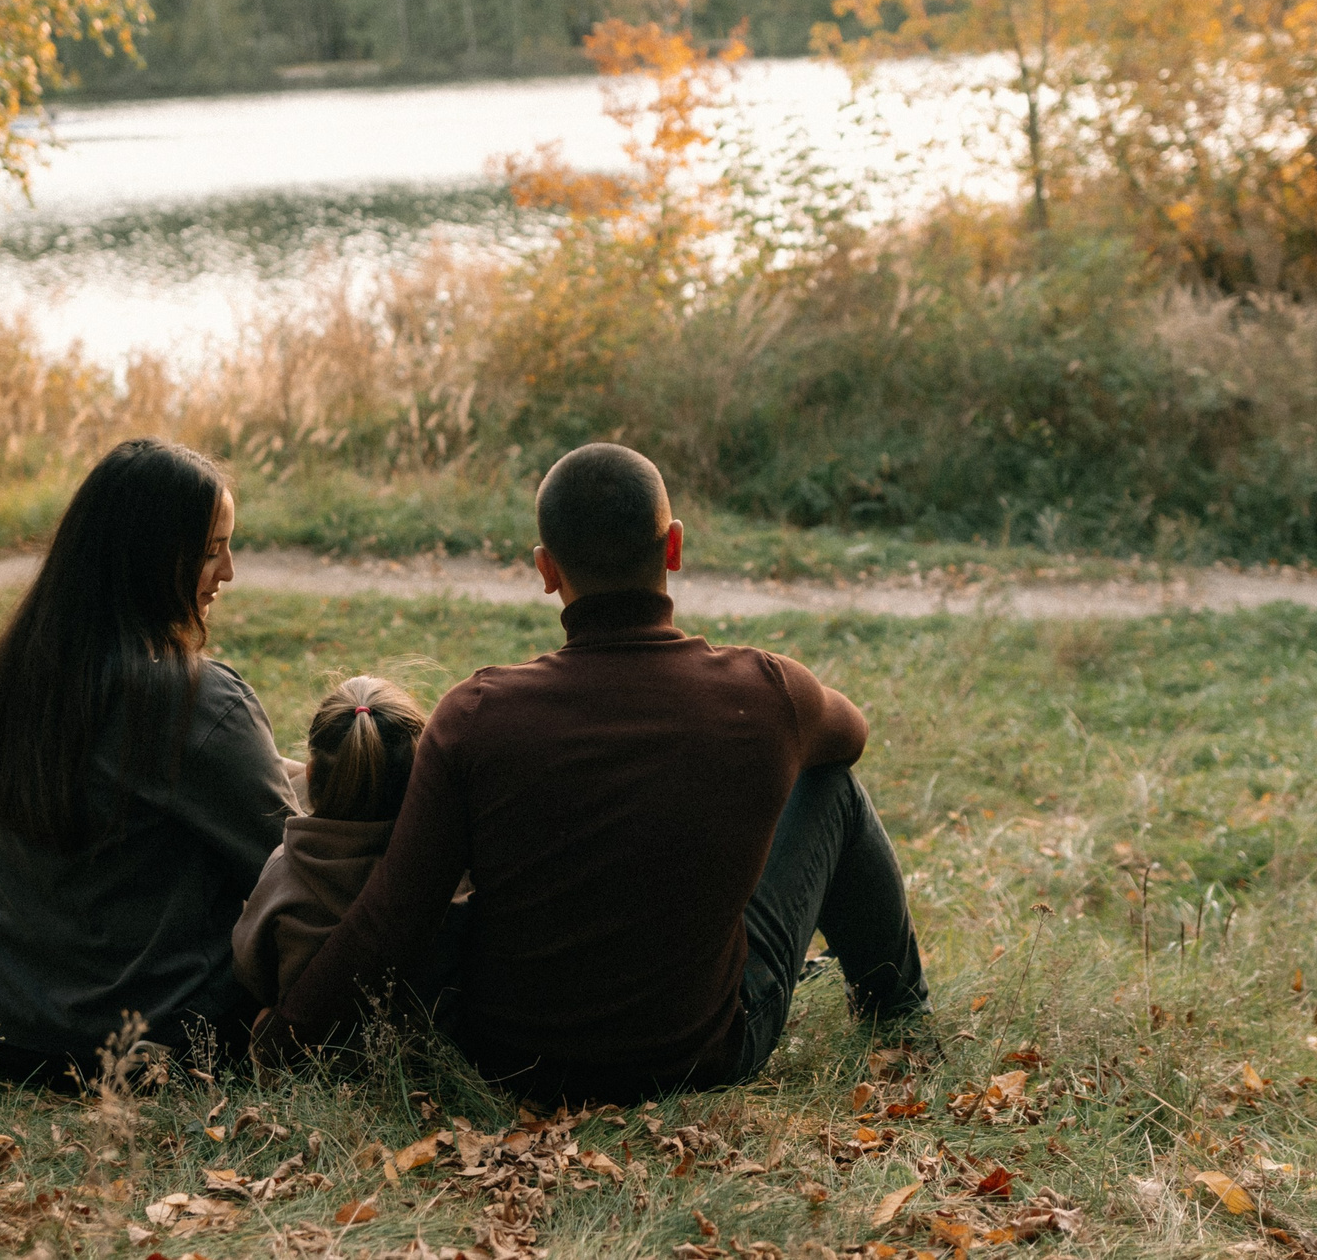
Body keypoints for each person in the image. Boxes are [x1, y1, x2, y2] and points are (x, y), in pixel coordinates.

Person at [267, 442, 928, 1104]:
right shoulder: (767, 692)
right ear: (673, 547)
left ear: (546, 569)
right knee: (832, 787)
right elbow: (851, 738)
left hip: (514, 1062)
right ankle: (899, 1010)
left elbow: (393, 916)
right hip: (700, 1054)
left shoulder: (474, 716)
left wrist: (284, 1039)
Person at [0, 438, 296, 1085]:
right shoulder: (195, 700)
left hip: (4, 1035)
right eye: (209, 550)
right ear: (149, 559)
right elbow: (291, 860)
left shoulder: (17, 676)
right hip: (150, 1044)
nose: (228, 572)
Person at [229, 676, 428, 1007]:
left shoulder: (285, 872)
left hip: (306, 1049)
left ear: (310, 775)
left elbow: (248, 970)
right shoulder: (438, 870)